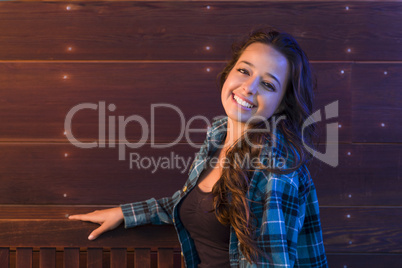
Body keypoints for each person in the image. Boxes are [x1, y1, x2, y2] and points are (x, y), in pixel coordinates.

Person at [69, 26, 328, 267]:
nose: (248, 88)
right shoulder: (218, 135)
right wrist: (125, 214)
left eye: (268, 84)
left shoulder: (275, 166)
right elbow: (192, 204)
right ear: (229, 73)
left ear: (282, 104)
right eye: (244, 70)